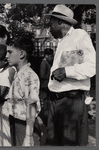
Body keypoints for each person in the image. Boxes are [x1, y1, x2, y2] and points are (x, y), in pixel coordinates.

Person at [44, 4, 96, 146]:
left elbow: (92, 66)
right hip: (56, 102)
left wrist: (66, 72)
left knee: (69, 144)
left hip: (70, 103)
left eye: (51, 22)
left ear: (60, 22)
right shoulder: (62, 42)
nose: (49, 27)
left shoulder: (79, 35)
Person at [6, 35, 41, 146]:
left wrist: (28, 136)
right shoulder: (18, 73)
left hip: (25, 126)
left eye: (10, 52)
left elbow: (31, 106)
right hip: (16, 122)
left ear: (21, 54)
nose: (6, 56)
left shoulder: (29, 76)